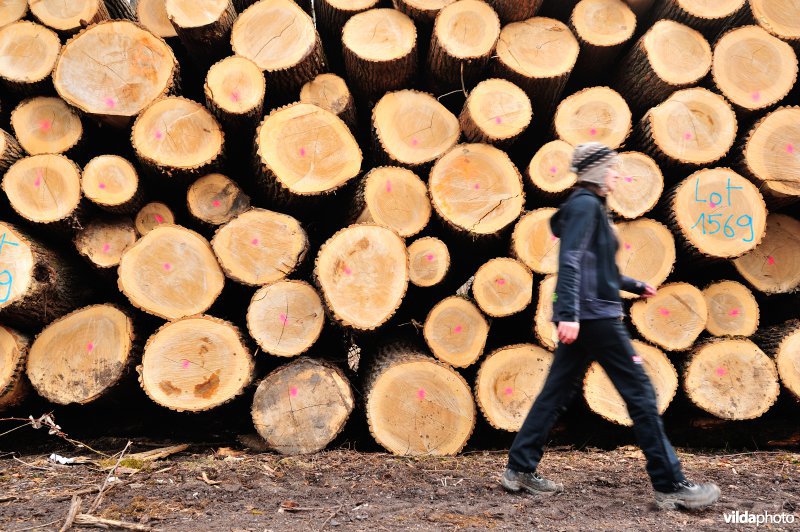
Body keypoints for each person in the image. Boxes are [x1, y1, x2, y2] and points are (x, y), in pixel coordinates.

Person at [500, 142, 720, 510]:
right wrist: (568, 313)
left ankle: (519, 468)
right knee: (641, 394)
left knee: (555, 393)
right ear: (597, 171)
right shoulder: (585, 206)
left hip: (589, 314)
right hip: (595, 318)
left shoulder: (590, 207)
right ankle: (670, 484)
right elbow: (570, 260)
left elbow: (598, 269)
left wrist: (634, 285)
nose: (617, 174)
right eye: (612, 168)